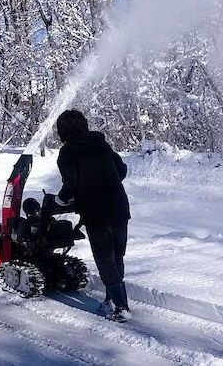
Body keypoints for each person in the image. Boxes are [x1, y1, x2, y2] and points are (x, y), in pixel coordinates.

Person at [55, 109, 132, 322]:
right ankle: (111, 299)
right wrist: (106, 180)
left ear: (63, 131)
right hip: (119, 207)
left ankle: (121, 307)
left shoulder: (68, 152)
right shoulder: (101, 144)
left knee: (105, 258)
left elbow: (71, 183)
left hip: (97, 212)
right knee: (117, 255)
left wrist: (61, 199)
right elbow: (122, 170)